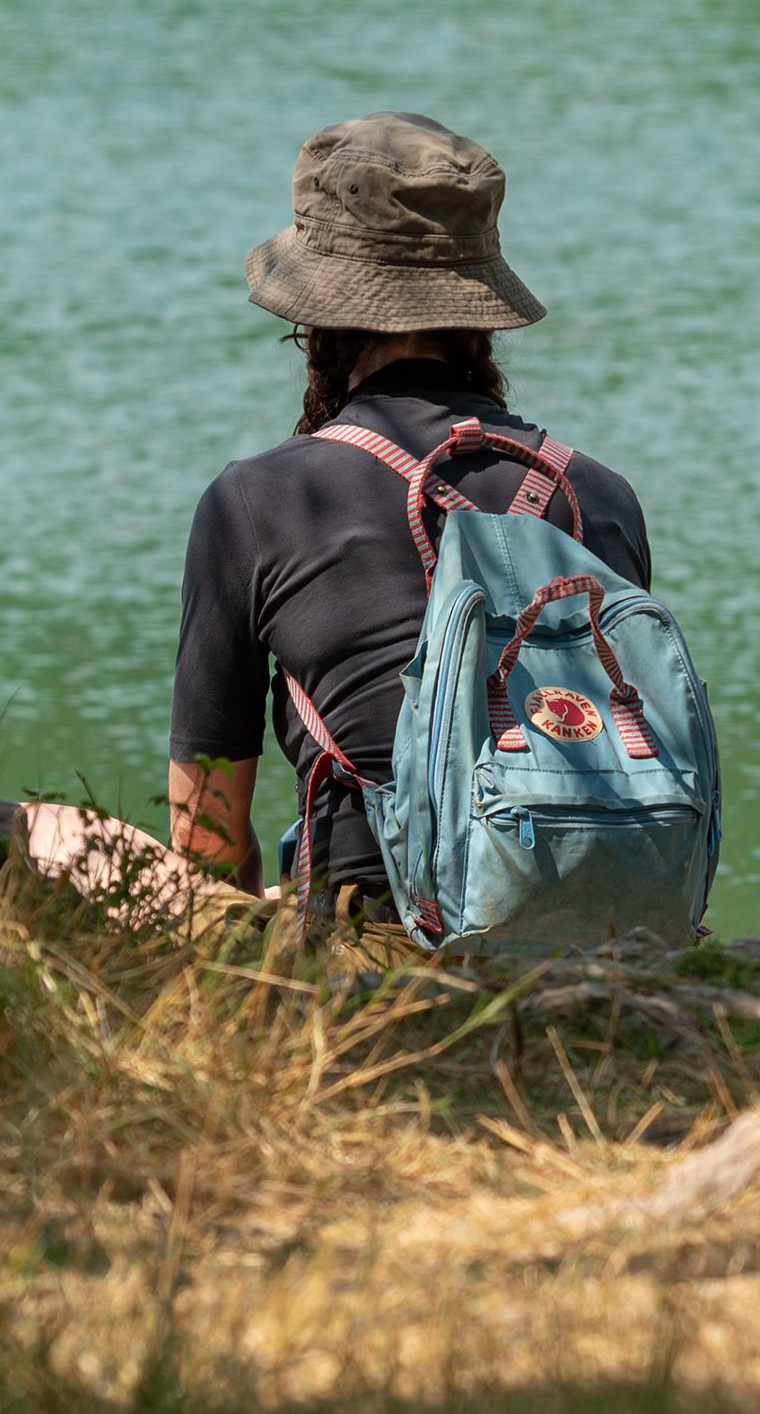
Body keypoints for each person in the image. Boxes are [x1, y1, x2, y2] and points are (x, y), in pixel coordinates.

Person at [167, 112, 655, 923]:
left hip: (379, 933)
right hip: (603, 929)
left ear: (317, 319)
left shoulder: (254, 502)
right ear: (479, 310)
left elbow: (205, 836)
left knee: (50, 833)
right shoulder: (599, 495)